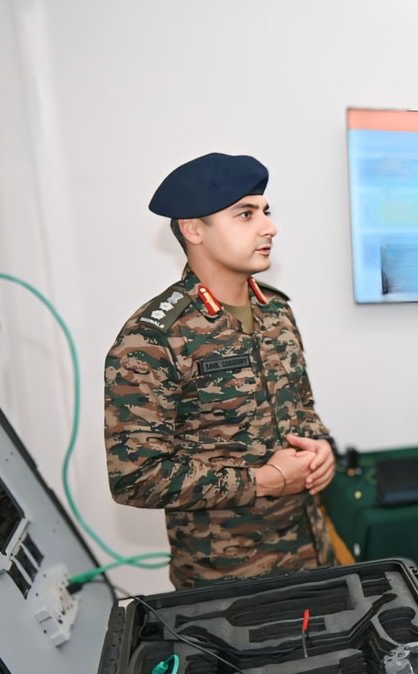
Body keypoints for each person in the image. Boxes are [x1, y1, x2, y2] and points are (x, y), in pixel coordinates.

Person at [104, 152, 336, 589]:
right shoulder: (153, 338)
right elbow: (134, 476)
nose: (270, 227)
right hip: (228, 583)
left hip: (312, 559)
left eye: (265, 212)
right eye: (245, 214)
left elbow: (301, 409)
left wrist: (320, 446)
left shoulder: (276, 311)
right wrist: (262, 481)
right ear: (194, 230)